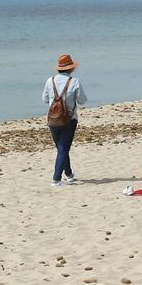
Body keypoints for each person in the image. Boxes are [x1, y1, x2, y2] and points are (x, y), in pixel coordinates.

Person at [43, 54, 87, 186]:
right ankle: (56, 179)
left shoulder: (49, 81)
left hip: (53, 120)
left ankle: (68, 174)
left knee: (61, 148)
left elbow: (45, 99)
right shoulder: (74, 82)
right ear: (71, 68)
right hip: (69, 120)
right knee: (63, 149)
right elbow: (82, 100)